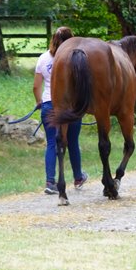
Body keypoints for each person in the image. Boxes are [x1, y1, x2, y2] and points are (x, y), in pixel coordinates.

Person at [34, 26, 88, 195]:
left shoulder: (43, 58)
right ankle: (78, 177)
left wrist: (39, 102)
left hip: (49, 104)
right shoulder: (74, 58)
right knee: (72, 141)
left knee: (52, 142)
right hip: (70, 105)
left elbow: (36, 86)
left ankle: (50, 182)